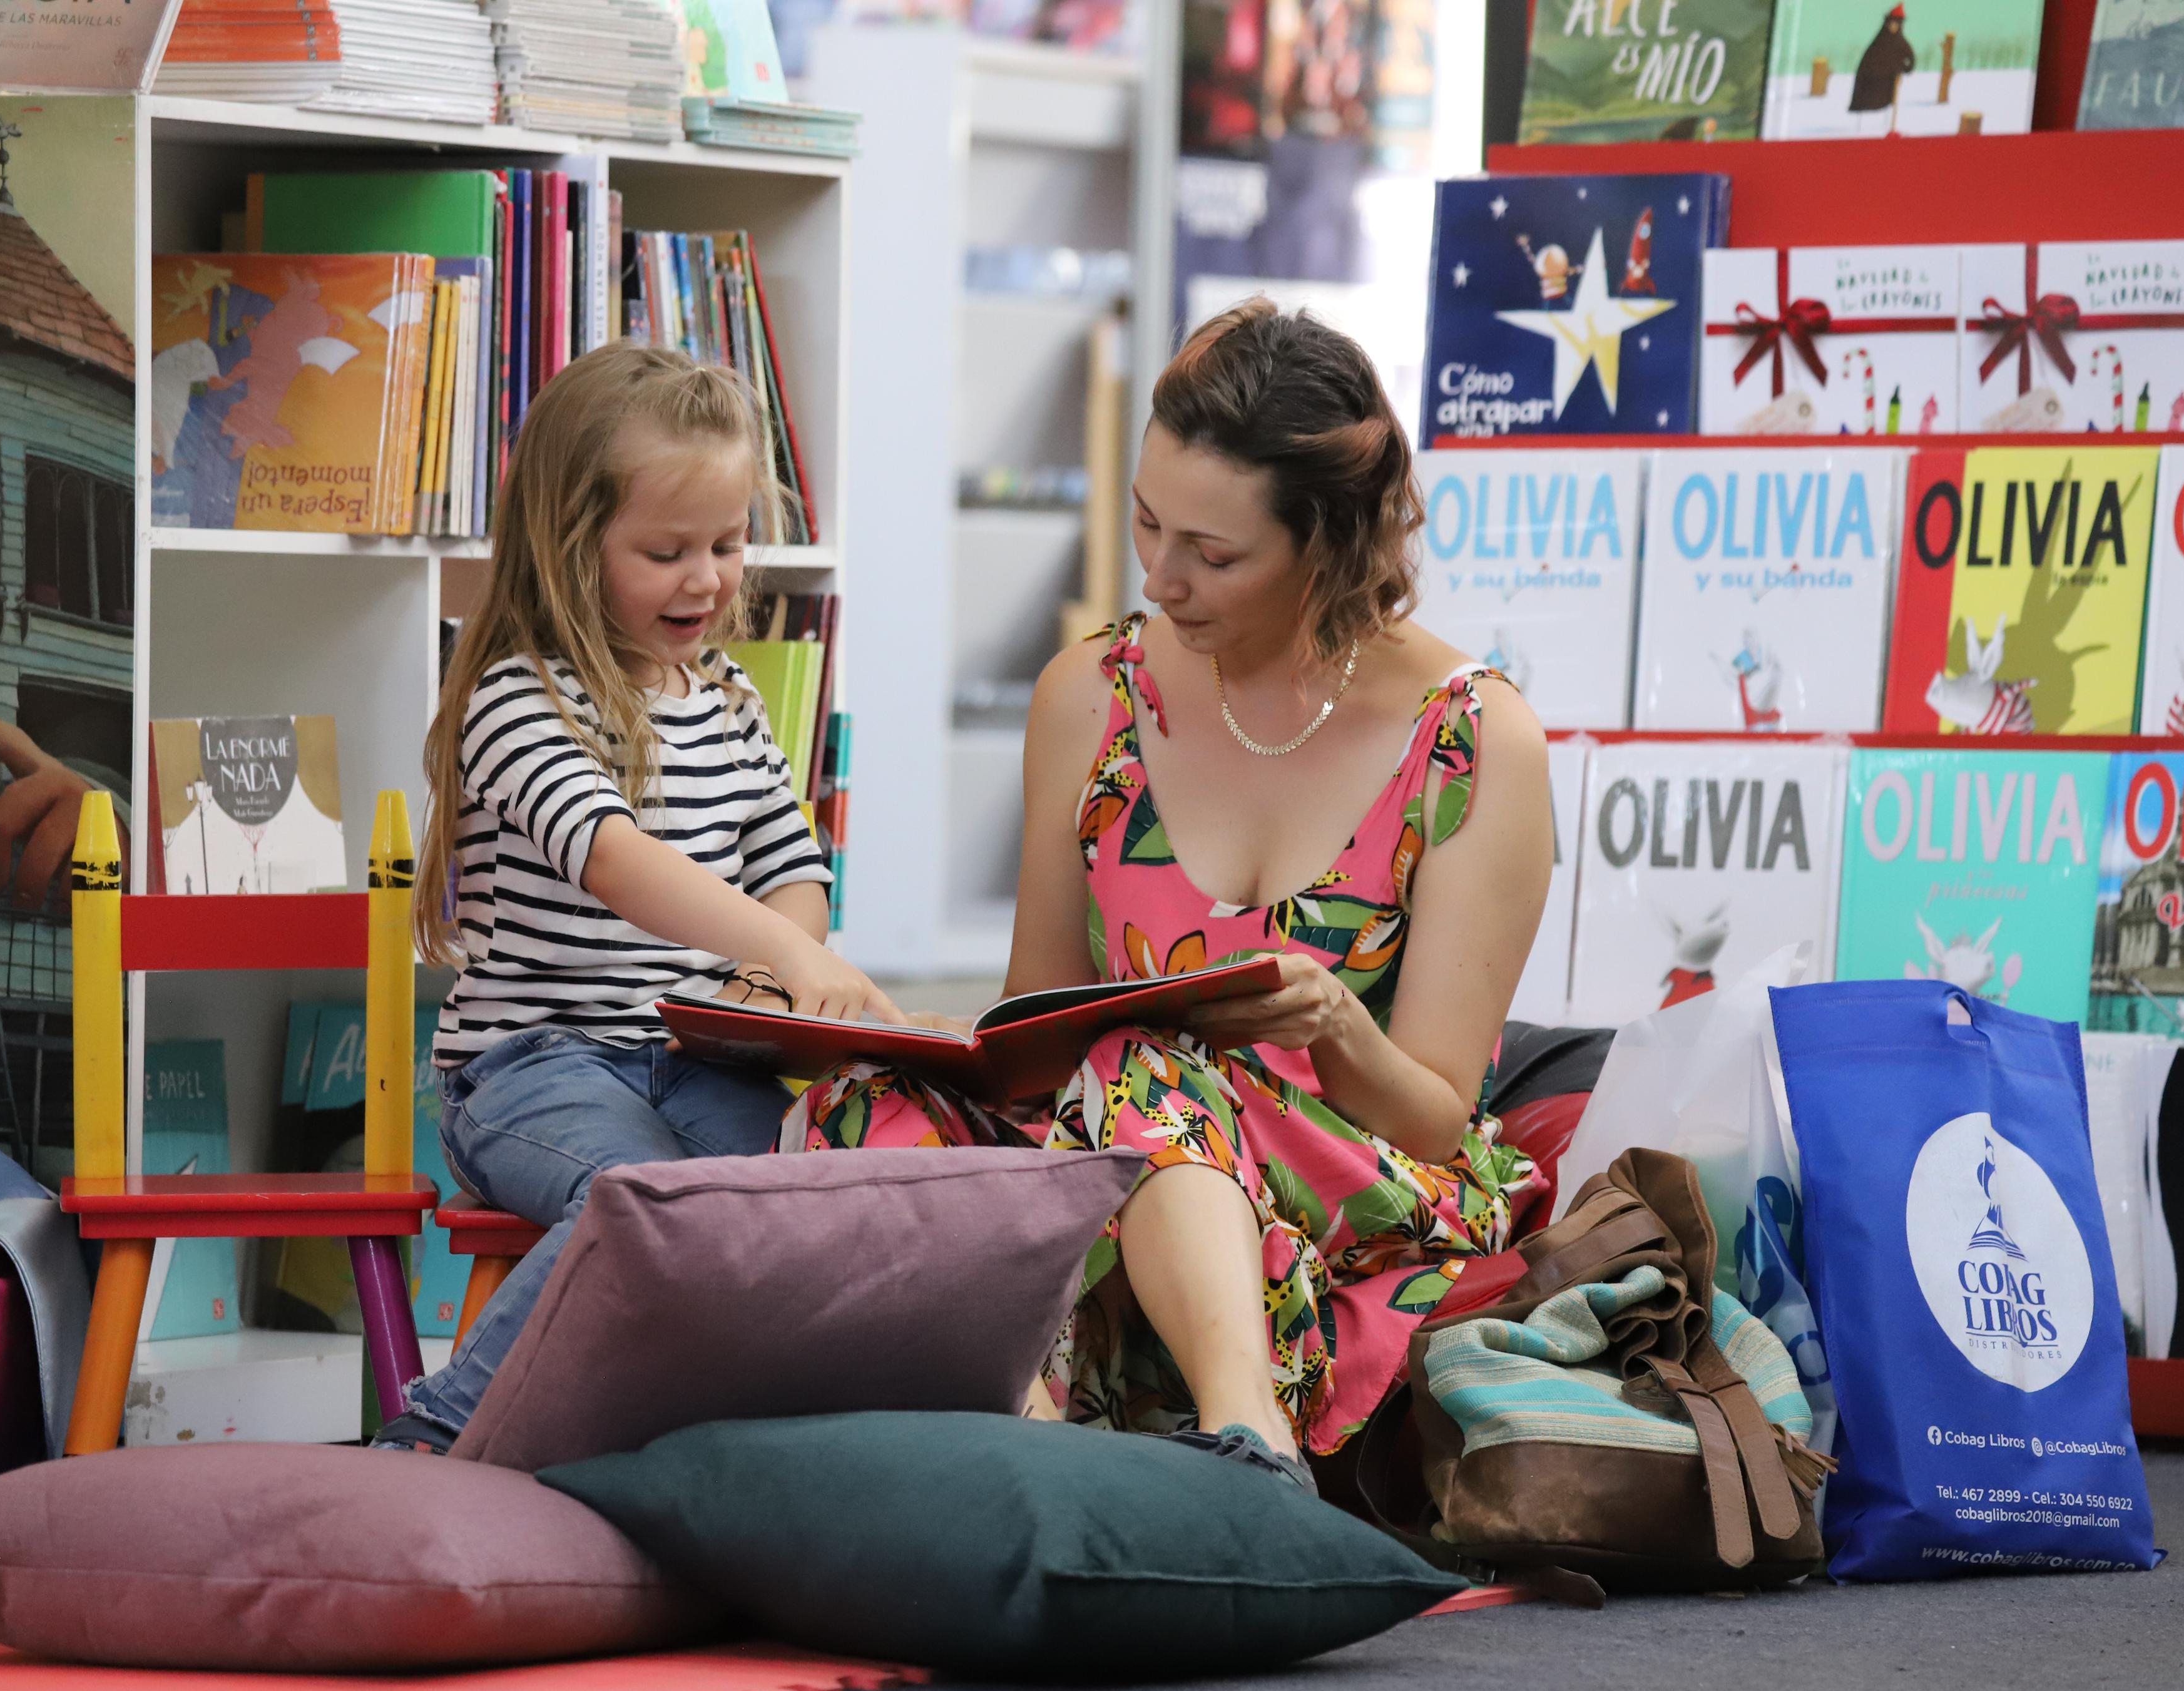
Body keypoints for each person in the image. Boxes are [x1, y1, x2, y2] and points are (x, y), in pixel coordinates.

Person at [785, 300, 1551, 1491]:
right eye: (1148, 523)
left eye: (1216, 552)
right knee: (863, 1103)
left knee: (1147, 1059)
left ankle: (1250, 1444)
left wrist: (1334, 1024)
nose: (1162, 576)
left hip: (1364, 1171)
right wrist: (909, 1039)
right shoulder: (1088, 691)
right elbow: (1035, 1024)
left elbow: (1439, 1120)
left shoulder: (1472, 738)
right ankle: (1024, 1447)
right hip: (1124, 1141)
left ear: (1331, 544)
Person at [373, 344, 899, 1451]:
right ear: (572, 547)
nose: (707, 579)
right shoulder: (517, 697)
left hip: (692, 1052)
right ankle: (438, 1435)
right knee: (643, 1196)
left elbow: (789, 864)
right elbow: (612, 858)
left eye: (727, 542)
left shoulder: (729, 696)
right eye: (665, 551)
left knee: (817, 1182)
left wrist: (776, 969)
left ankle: (750, 1432)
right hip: (530, 1062)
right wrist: (790, 957)